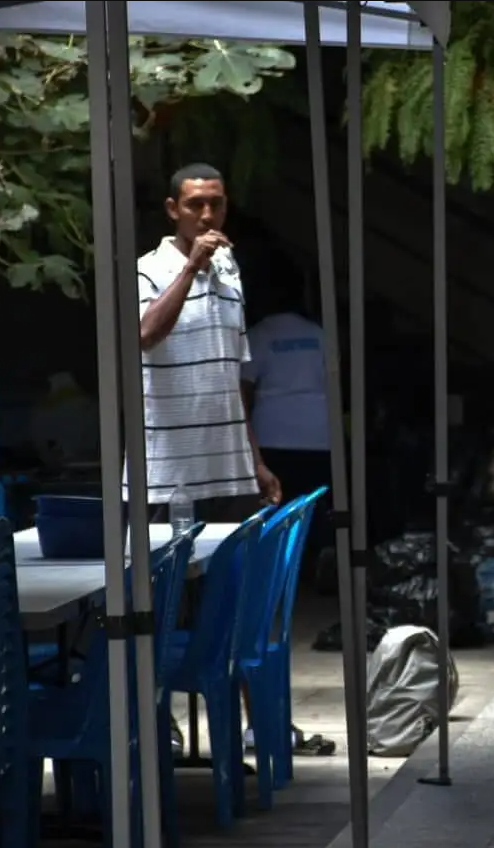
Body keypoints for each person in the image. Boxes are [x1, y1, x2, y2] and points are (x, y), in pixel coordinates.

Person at [135, 162, 282, 755]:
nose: (206, 215)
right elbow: (145, 334)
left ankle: (251, 725)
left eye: (215, 205)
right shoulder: (150, 269)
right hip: (164, 469)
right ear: (173, 209)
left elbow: (231, 376)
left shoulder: (231, 266)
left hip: (227, 463)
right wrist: (191, 265)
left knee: (239, 602)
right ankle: (155, 724)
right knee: (158, 608)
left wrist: (256, 458)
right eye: (195, 204)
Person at [241, 256, 333, 575]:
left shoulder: (257, 335)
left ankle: (280, 572)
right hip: (319, 435)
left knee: (276, 509)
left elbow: (244, 393)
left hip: (272, 435)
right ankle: (310, 567)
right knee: (313, 509)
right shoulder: (321, 335)